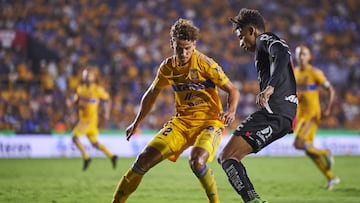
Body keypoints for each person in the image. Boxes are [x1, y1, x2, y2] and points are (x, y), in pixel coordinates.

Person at [112, 18, 240, 203]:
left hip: (209, 122)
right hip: (181, 123)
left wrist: (231, 111)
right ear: (171, 43)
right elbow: (151, 94)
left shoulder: (206, 64)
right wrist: (136, 122)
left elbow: (233, 90)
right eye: (179, 48)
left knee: (196, 162)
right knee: (142, 161)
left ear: (194, 45)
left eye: (188, 48)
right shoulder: (167, 67)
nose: (183, 52)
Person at [218, 8, 298, 203]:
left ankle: (253, 201)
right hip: (282, 115)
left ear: (251, 30)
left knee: (227, 156)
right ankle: (252, 200)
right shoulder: (263, 48)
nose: (240, 43)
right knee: (228, 157)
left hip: (275, 113)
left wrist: (270, 87)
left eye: (241, 36)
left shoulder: (266, 39)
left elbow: (283, 55)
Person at [293, 45, 339, 190]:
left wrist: (328, 108)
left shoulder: (314, 72)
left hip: (312, 114)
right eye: (299, 54)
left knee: (298, 144)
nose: (301, 57)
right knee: (308, 150)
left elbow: (330, 89)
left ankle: (326, 152)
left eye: (304, 54)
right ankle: (331, 177)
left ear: (309, 56)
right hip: (301, 115)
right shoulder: (295, 73)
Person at [68, 67, 117, 171]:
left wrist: (107, 112)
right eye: (85, 75)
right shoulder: (80, 89)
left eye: (89, 75)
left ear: (93, 78)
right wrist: (72, 103)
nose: (86, 77)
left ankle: (87, 158)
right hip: (84, 120)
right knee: (94, 143)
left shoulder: (96, 89)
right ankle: (112, 156)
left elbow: (108, 99)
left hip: (90, 121)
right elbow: (76, 102)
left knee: (74, 137)